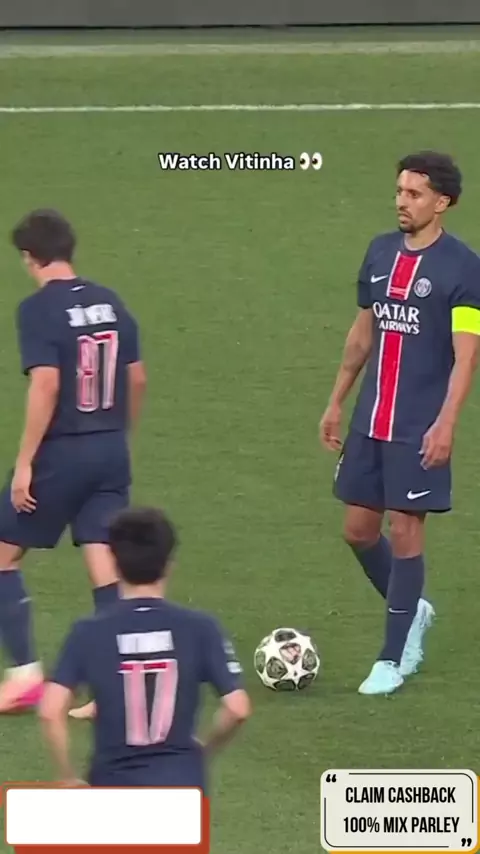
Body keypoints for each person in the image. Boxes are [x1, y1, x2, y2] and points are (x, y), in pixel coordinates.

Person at [319, 151, 480, 696]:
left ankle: (392, 657)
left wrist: (446, 423)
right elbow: (362, 334)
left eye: (414, 194)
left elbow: (466, 355)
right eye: (399, 192)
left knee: (405, 529)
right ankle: (413, 608)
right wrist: (336, 401)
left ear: (443, 202)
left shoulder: (463, 268)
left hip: (418, 424)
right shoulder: (380, 252)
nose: (402, 202)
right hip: (371, 419)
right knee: (358, 530)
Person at [0, 209, 146, 713]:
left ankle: (24, 676)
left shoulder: (37, 309)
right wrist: (119, 436)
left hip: (62, 453)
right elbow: (137, 377)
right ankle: (115, 688)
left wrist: (25, 463)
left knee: (2, 554)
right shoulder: (110, 301)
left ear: (29, 257)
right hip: (110, 449)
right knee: (104, 562)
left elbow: (46, 384)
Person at [39, 506, 251, 789]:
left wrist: (66, 776)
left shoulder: (88, 632)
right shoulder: (200, 628)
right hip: (182, 789)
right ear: (169, 564)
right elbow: (237, 708)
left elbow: (50, 710)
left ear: (114, 563)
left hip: (115, 787)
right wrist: (202, 752)